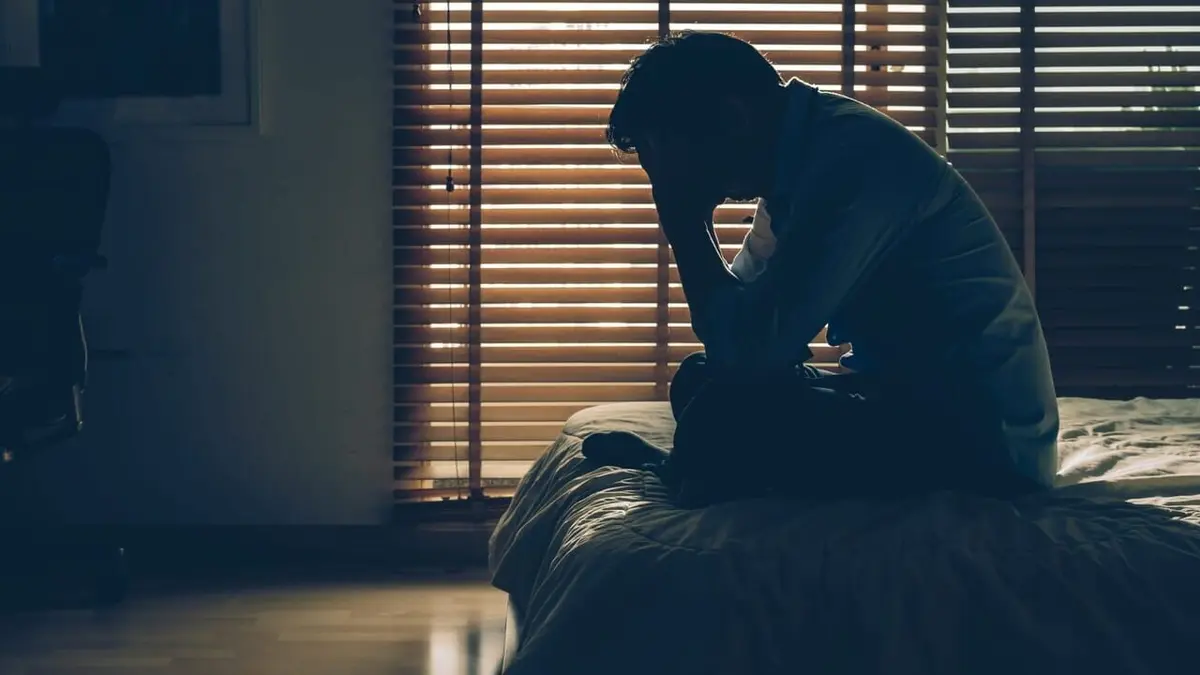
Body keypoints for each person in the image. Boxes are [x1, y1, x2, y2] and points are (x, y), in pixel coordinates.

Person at [580, 31, 1060, 507]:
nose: (667, 176)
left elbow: (751, 353)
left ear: (731, 118)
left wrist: (683, 221)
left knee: (724, 411)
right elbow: (733, 333)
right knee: (698, 379)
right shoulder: (797, 164)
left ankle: (691, 471)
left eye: (670, 154)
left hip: (982, 448)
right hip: (902, 399)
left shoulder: (853, 163)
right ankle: (691, 468)